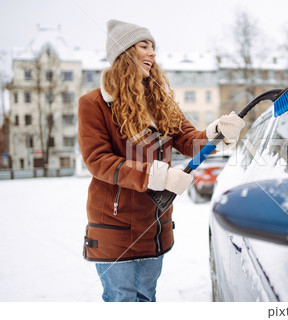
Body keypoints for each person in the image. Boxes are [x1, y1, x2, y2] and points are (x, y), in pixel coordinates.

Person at [78, 19, 245, 302]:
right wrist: (156, 176)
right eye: (144, 46)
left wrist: (217, 132)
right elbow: (98, 160)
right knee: (121, 299)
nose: (153, 53)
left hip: (154, 224)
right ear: (124, 53)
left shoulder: (160, 103)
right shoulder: (95, 104)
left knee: (146, 297)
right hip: (114, 225)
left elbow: (191, 142)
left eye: (153, 47)